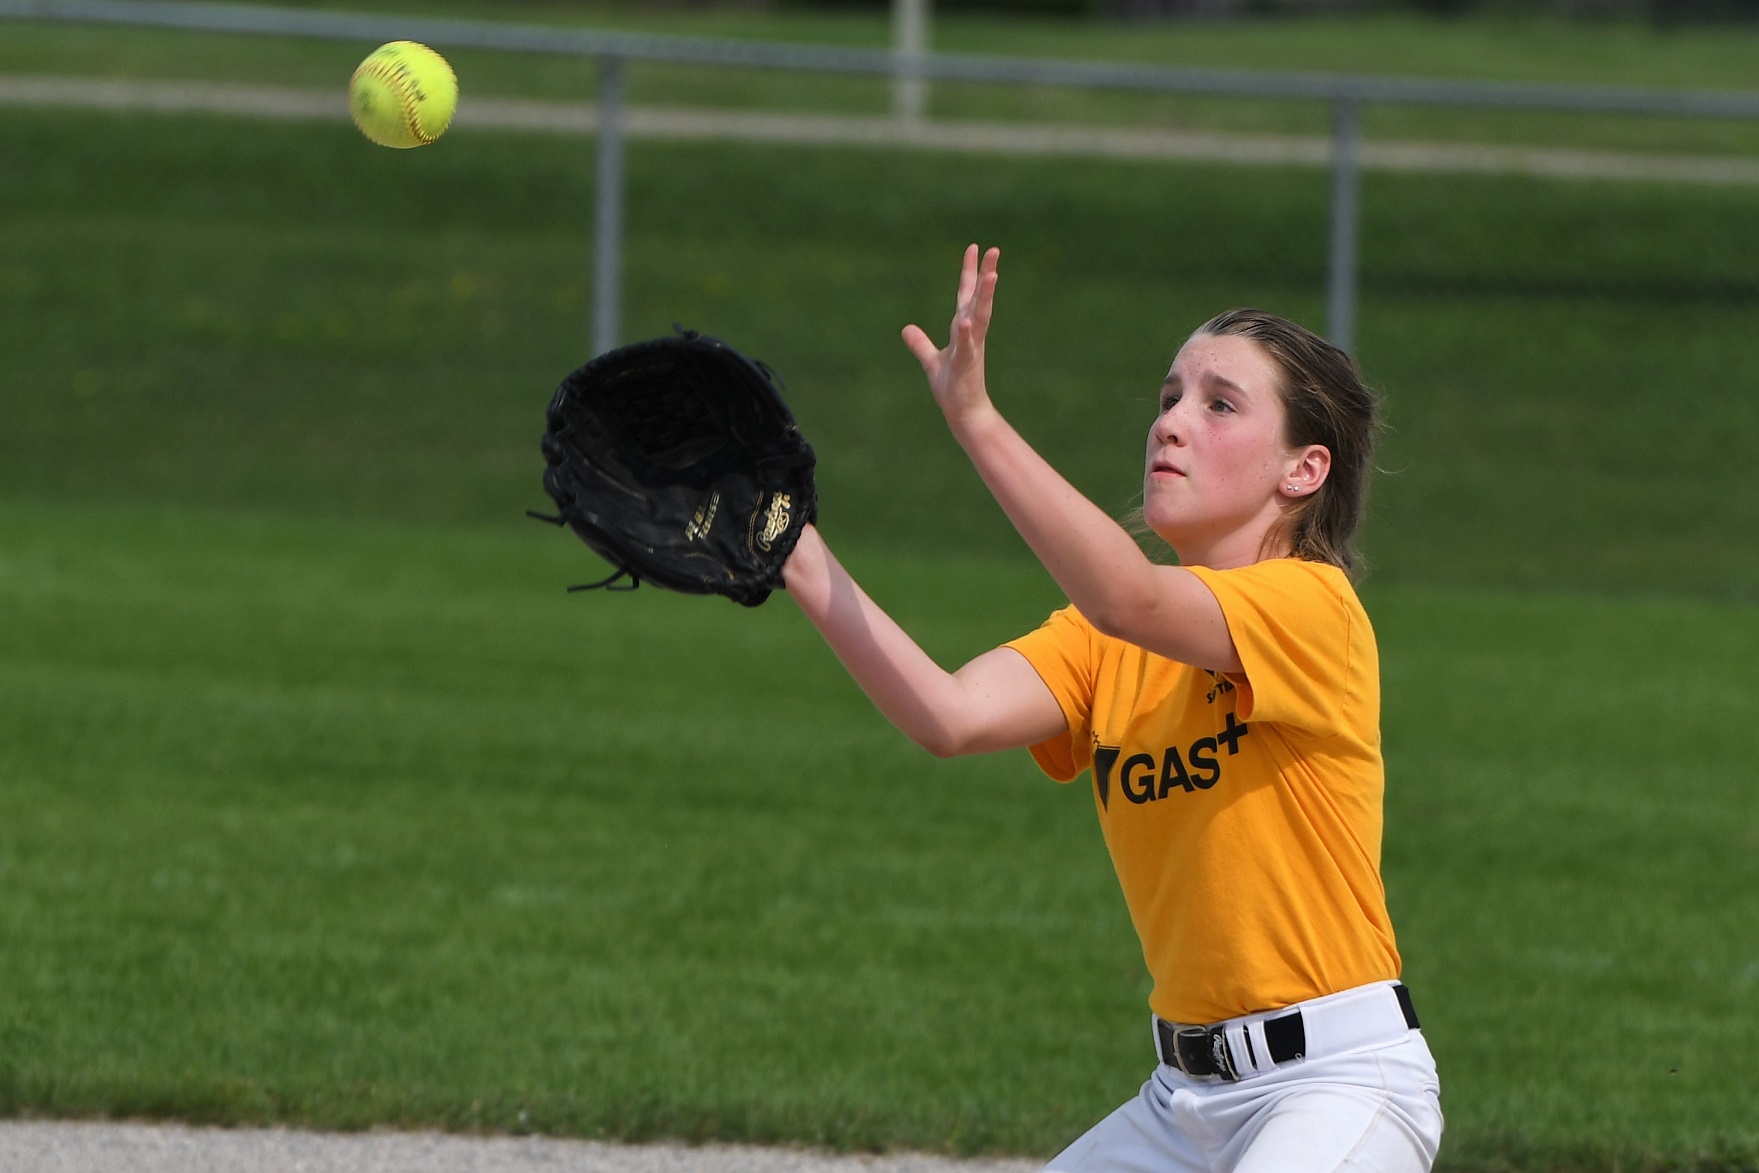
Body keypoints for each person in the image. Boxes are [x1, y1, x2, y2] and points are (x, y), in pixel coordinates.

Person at [780, 244, 1443, 1172]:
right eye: (1169, 396)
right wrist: (792, 546)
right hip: (1180, 1104)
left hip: (1334, 1085)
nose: (1171, 421)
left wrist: (974, 418)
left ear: (1302, 470)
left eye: (1219, 404)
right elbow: (947, 714)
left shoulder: (1311, 606)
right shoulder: (1104, 642)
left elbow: (1127, 593)